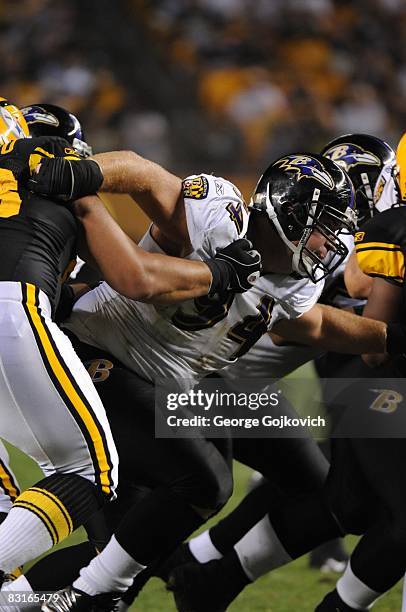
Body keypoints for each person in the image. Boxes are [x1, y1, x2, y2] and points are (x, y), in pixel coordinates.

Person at [23, 146, 406, 611]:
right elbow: (142, 173)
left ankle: (168, 574)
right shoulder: (220, 216)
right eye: (327, 226)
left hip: (188, 389)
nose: (336, 241)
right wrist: (78, 172)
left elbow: (314, 325)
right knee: (192, 491)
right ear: (293, 211)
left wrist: (388, 336)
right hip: (121, 365)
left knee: (282, 480)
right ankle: (102, 590)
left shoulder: (299, 278)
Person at [0, 97, 260, 591]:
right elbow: (136, 277)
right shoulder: (46, 170)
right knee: (88, 472)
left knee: (6, 500)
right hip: (12, 313)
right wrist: (220, 272)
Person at [159, 137, 406, 612]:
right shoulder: (313, 252)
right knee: (177, 498)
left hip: (228, 386)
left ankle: (202, 571)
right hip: (192, 386)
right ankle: (138, 574)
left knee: (335, 493)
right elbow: (318, 320)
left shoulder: (327, 243)